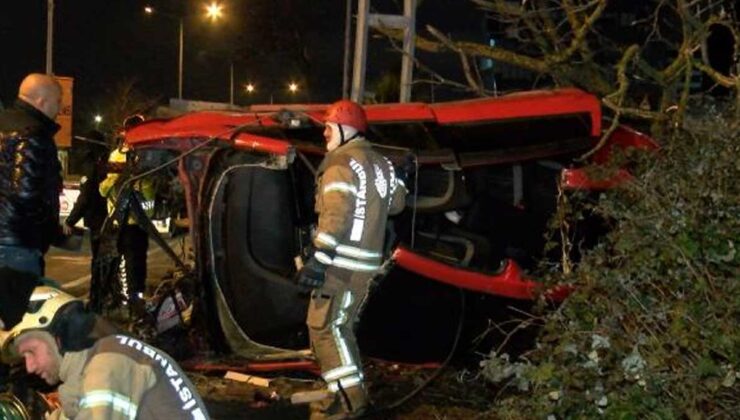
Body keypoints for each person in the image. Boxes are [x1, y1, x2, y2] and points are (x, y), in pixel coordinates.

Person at [296, 99, 407, 419]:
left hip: (341, 266)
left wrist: (319, 259)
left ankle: (348, 402)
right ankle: (343, 395)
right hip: (368, 265)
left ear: (345, 129)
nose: (324, 135)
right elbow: (398, 204)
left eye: (328, 128)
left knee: (324, 329)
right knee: (341, 329)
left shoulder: (340, 163)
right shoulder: (383, 164)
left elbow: (337, 214)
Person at [0, 283, 211, 419]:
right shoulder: (100, 357)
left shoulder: (108, 365)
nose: (29, 366)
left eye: (31, 352)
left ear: (59, 338)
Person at [0, 73, 64, 277]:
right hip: (15, 244)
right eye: (58, 101)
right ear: (42, 101)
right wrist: (49, 229)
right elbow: (26, 194)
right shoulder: (32, 134)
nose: (59, 108)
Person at [99, 143, 156, 305]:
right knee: (128, 262)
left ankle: (133, 296)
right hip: (122, 225)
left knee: (135, 262)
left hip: (134, 225)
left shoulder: (143, 180)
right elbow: (102, 190)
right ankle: (128, 296)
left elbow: (149, 207)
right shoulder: (113, 179)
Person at [63, 131, 109, 310]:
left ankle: (97, 301)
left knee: (99, 261)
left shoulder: (92, 165)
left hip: (99, 219)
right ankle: (103, 297)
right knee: (104, 260)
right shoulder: (105, 160)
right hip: (108, 218)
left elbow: (86, 196)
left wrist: (70, 220)